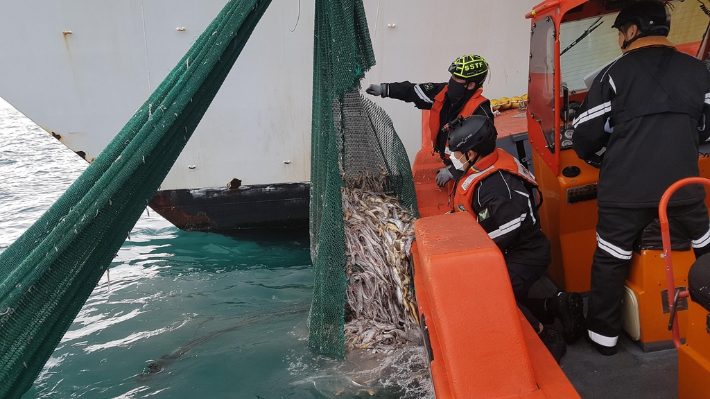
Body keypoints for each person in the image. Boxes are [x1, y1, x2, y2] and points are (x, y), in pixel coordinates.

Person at [572, 0, 710, 356]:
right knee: (706, 249)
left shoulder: (612, 75)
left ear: (633, 31)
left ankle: (604, 339)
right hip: (685, 189)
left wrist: (603, 159)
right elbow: (707, 126)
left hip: (625, 193)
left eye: (620, 31)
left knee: (610, 258)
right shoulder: (698, 72)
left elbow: (584, 136)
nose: (620, 37)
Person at [447, 115, 586, 363]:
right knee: (502, 293)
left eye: (457, 153)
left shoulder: (500, 187)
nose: (454, 158)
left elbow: (504, 230)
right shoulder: (486, 165)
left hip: (526, 254)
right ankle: (555, 306)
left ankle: (545, 337)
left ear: (472, 154)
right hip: (515, 249)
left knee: (494, 293)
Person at [365, 54, 494, 187]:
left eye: (457, 78)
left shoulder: (480, 112)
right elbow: (413, 91)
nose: (452, 81)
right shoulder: (443, 92)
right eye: (452, 76)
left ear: (471, 85)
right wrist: (385, 89)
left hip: (468, 173)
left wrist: (453, 172)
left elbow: (482, 151)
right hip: (446, 161)